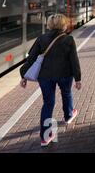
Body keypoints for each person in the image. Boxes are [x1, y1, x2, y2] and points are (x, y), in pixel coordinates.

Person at [20, 14, 82, 147]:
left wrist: (23, 75)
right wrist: (78, 78)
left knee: (48, 103)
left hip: (45, 76)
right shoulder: (69, 39)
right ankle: (68, 115)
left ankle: (45, 137)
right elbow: (74, 61)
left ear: (49, 25)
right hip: (65, 75)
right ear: (63, 25)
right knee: (66, 93)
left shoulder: (41, 39)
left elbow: (31, 58)